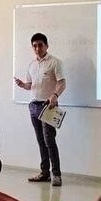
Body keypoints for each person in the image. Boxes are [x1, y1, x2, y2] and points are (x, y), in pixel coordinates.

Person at [14, 32, 66, 186]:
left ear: (46, 45)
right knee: (40, 140)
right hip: (34, 105)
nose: (37, 48)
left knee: (49, 140)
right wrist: (23, 85)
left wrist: (55, 95)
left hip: (48, 106)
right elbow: (31, 85)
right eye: (34, 46)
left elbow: (62, 83)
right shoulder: (31, 64)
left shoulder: (55, 62)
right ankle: (44, 173)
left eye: (40, 45)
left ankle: (56, 174)